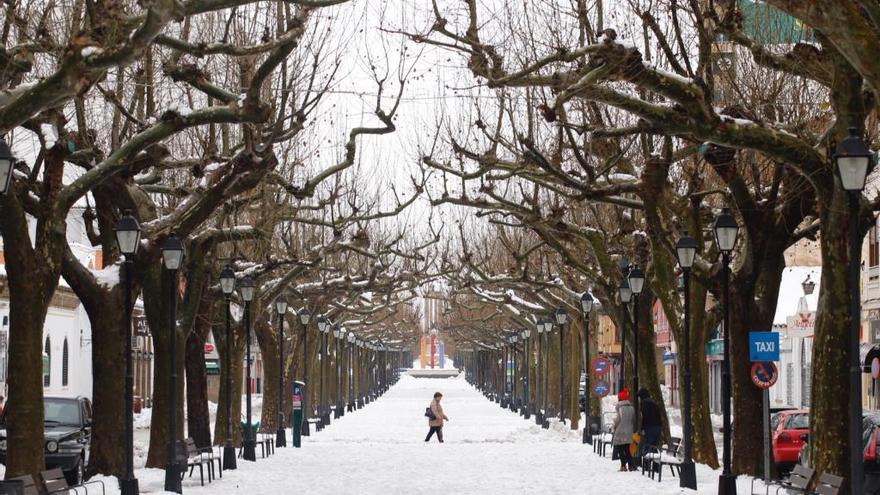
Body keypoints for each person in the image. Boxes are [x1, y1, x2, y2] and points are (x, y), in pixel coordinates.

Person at [612, 388, 636, 471]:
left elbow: (618, 420)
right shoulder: (632, 408)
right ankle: (631, 465)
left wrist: (614, 424)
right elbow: (633, 420)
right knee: (627, 449)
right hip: (629, 431)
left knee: (620, 448)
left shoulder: (620, 408)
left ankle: (623, 466)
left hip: (620, 431)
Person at [638, 388, 662, 455]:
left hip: (650, 427)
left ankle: (646, 464)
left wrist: (642, 428)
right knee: (653, 447)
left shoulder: (644, 403)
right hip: (658, 427)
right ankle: (655, 465)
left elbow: (645, 416)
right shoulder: (653, 402)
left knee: (647, 446)